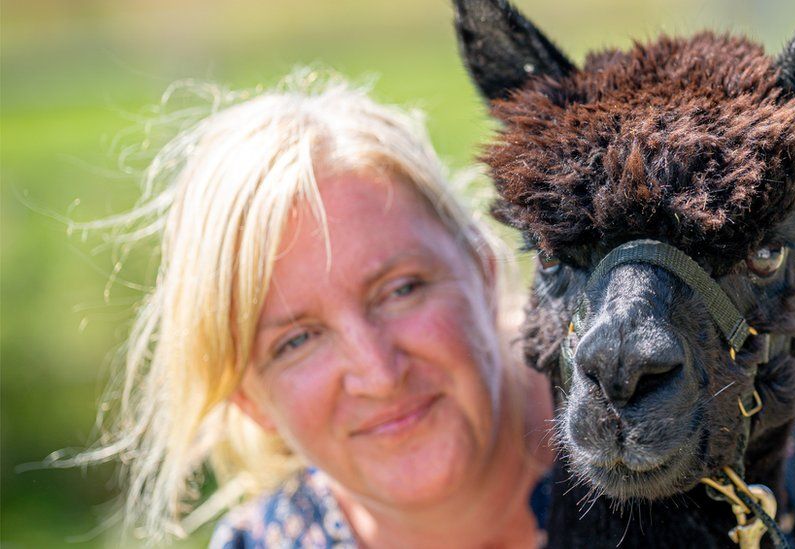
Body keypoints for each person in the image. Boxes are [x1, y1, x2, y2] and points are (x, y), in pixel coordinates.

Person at [72, 72, 554, 547]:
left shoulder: (625, 430)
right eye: (297, 341)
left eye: (400, 290)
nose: (379, 374)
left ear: (484, 267)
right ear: (251, 400)